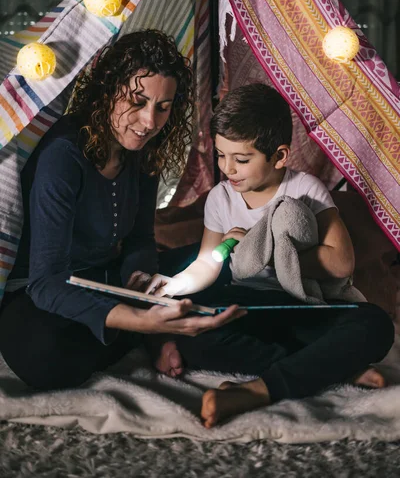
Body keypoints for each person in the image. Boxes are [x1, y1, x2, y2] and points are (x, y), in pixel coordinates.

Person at [0, 29, 244, 391]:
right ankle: (149, 335)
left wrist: (143, 283)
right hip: (43, 294)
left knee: (222, 269)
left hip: (107, 280)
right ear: (107, 91)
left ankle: (148, 330)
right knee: (44, 357)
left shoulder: (145, 148)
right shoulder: (64, 154)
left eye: (163, 107)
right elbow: (46, 281)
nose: (149, 121)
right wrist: (143, 321)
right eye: (137, 101)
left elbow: (140, 239)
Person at [143, 84, 394, 428]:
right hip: (249, 306)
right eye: (220, 155)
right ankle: (332, 368)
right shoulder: (221, 198)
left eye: (242, 160)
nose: (228, 168)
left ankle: (259, 390)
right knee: (197, 335)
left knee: (375, 325)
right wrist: (175, 286)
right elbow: (206, 263)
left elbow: (341, 263)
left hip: (301, 305)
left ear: (278, 156)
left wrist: (267, 253)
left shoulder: (305, 189)